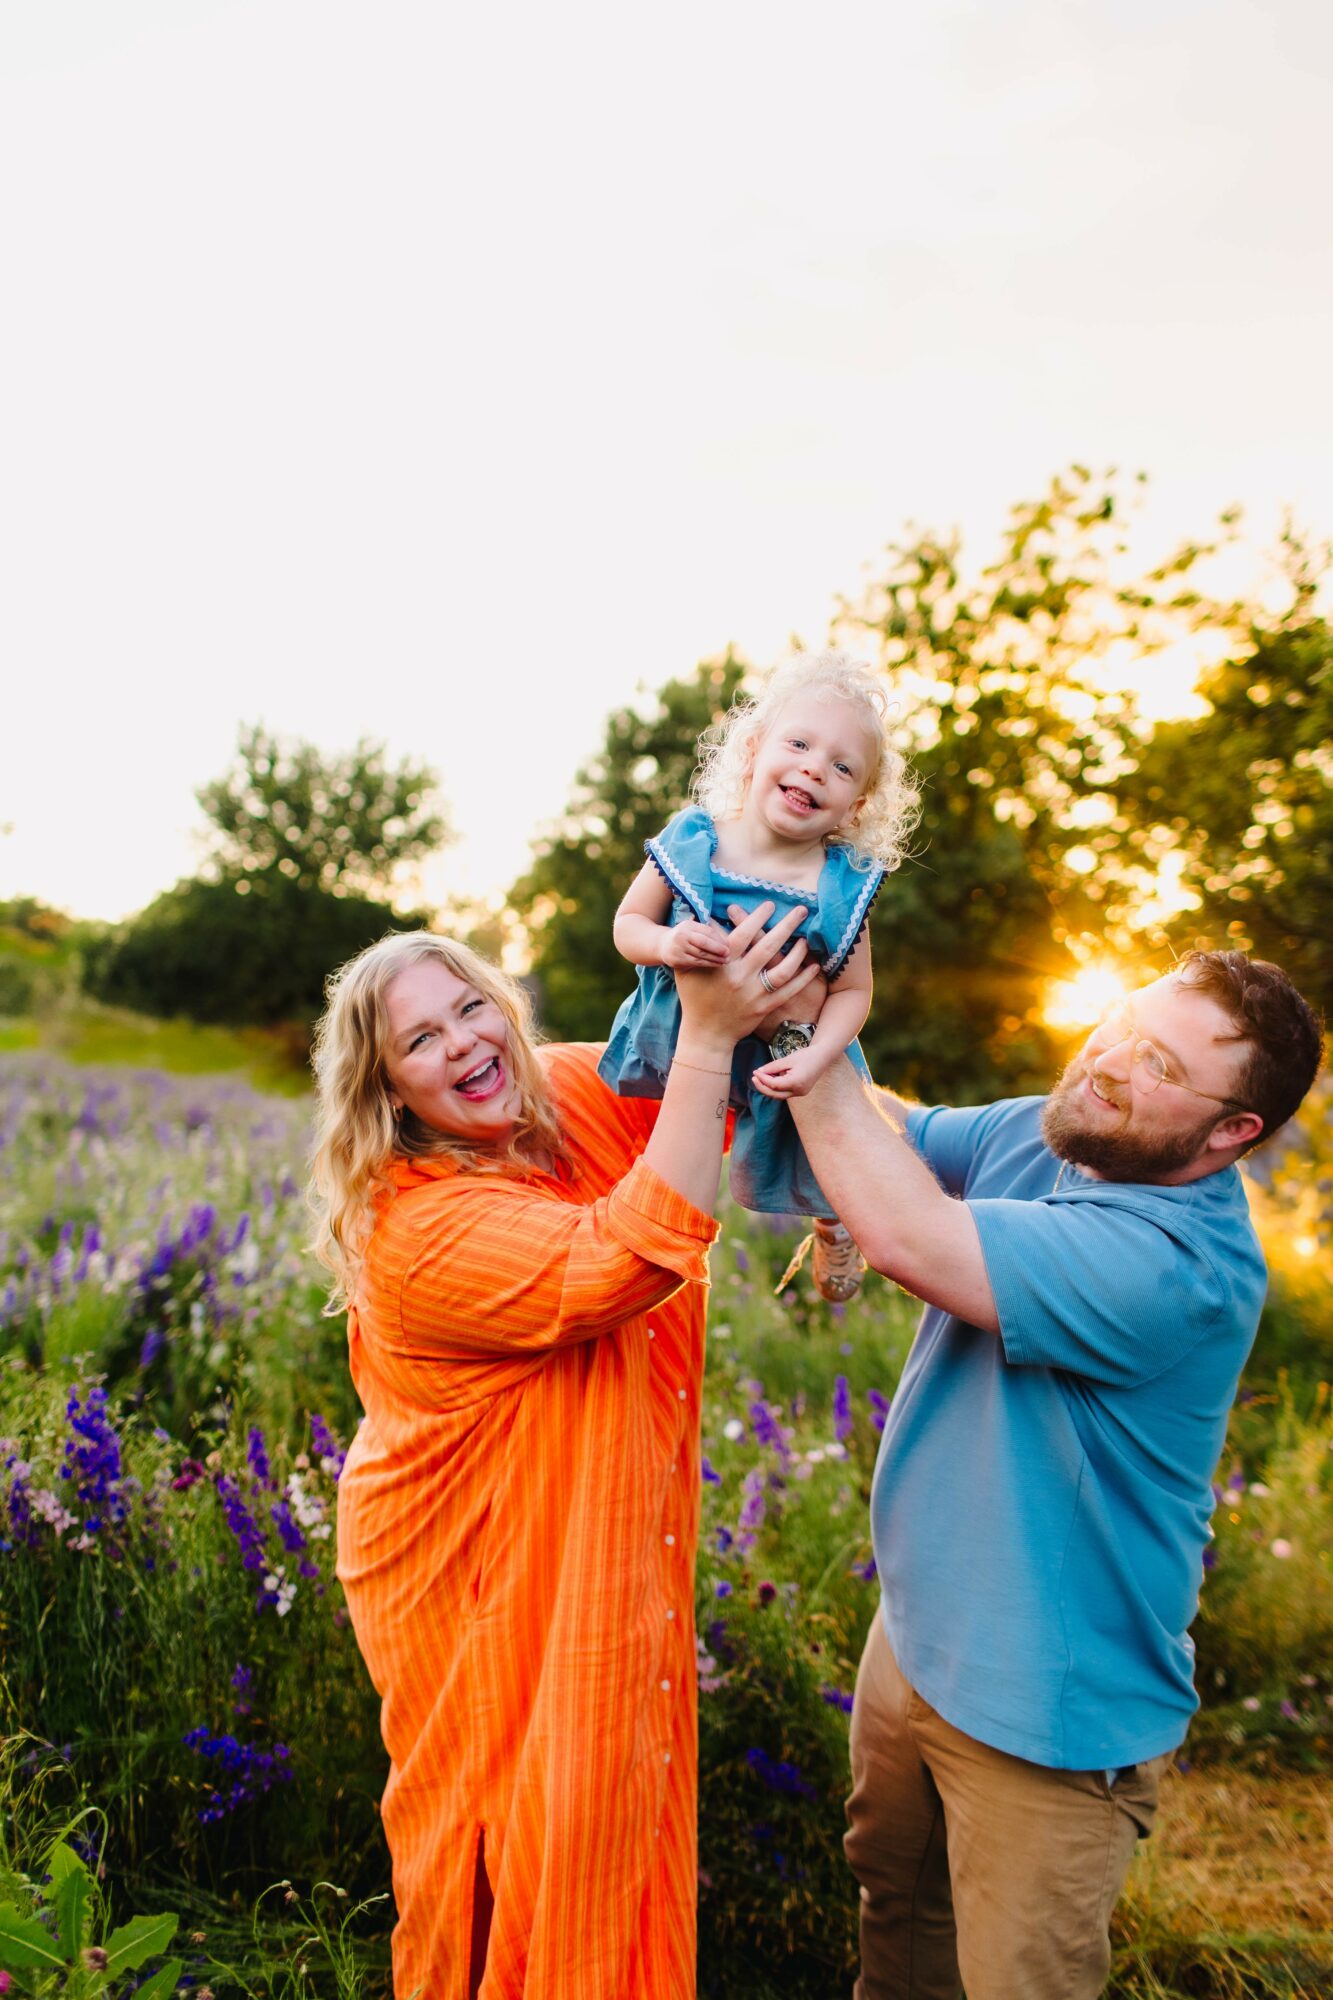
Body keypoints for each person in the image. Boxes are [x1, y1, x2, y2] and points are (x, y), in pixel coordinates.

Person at [780, 948, 1323, 2000]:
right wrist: (790, 996)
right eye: (1121, 1022)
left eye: (1159, 1062)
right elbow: (894, 1132)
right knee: (895, 1925)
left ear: (1230, 1133)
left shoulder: (1178, 1268)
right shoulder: (1063, 1127)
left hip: (1046, 1699)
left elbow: (904, 1227)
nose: (1110, 1060)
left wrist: (798, 1040)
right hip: (917, 1632)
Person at [308, 913, 818, 2000]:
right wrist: (705, 1036)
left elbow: (737, 1082)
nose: (464, 1043)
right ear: (388, 1087)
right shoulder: (418, 1231)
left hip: (584, 1538)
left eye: (471, 1006)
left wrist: (977, 1153)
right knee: (504, 1826)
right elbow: (625, 1256)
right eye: (422, 1040)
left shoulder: (562, 1093)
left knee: (602, 1813)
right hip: (472, 1574)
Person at [600, 649, 918, 1303]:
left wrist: (817, 1058)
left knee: (816, 1156)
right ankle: (648, 1215)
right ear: (752, 753)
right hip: (687, 1032)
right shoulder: (694, 840)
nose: (813, 766)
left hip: (788, 1050)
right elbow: (627, 926)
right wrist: (667, 940)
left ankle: (836, 1224)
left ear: (853, 808)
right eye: (798, 743)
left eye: (840, 766)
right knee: (668, 1137)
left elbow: (854, 991)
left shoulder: (837, 886)